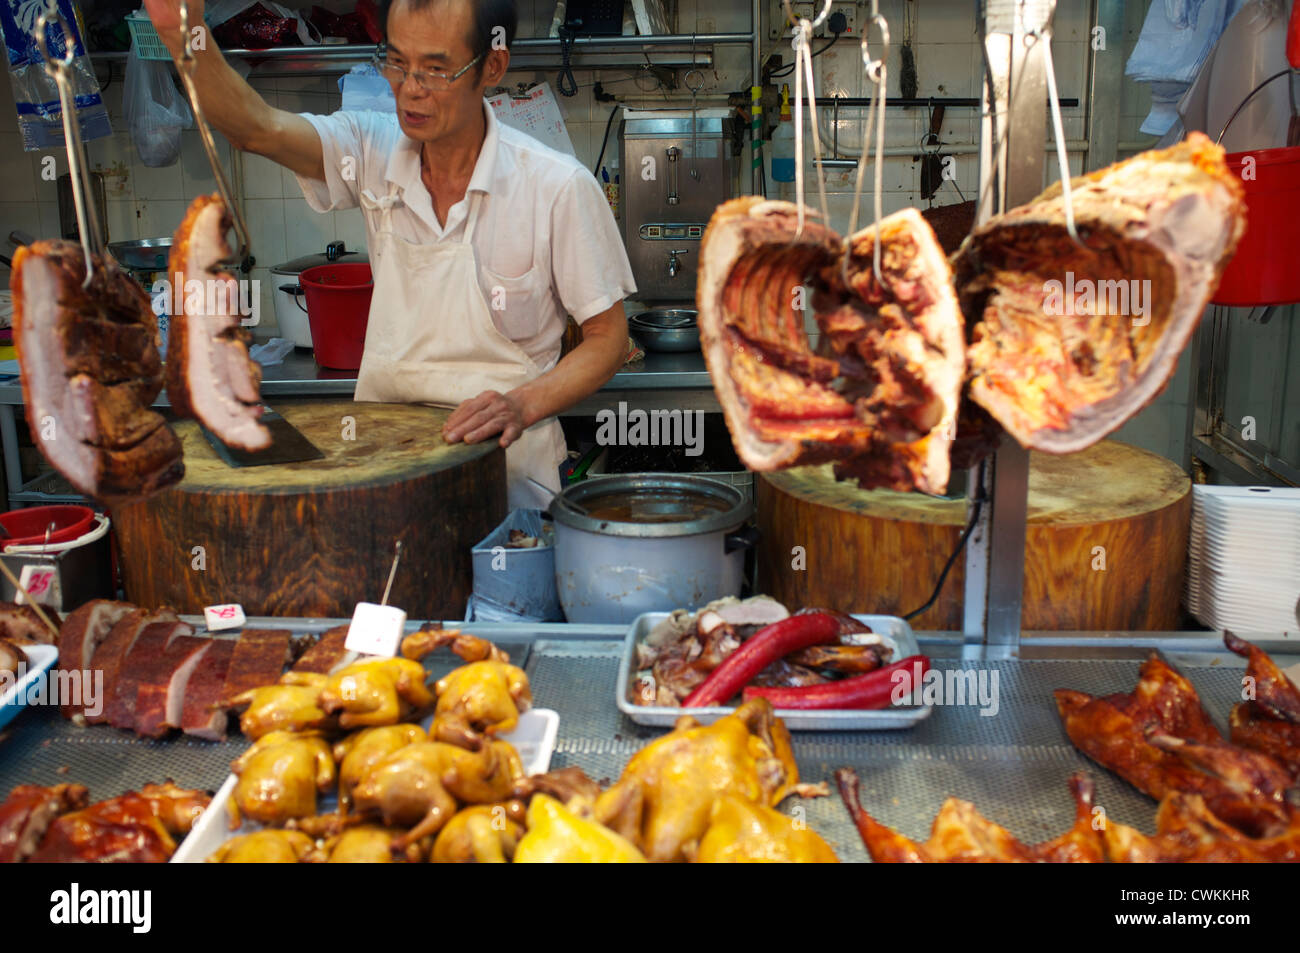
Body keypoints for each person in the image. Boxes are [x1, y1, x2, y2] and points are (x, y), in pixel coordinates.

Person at [143, 0, 636, 508]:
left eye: (436, 69)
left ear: (493, 65)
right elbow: (254, 129)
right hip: (385, 475)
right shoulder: (371, 151)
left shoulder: (556, 186)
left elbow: (607, 338)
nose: (410, 88)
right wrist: (183, 32)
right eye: (397, 62)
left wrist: (519, 405)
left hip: (508, 477)